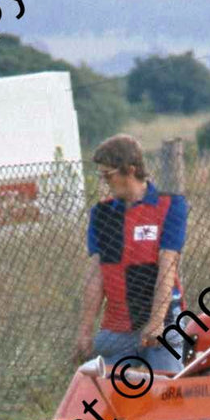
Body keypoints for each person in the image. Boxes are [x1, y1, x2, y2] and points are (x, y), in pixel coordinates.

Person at [74, 133, 189, 373]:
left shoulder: (170, 206)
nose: (104, 181)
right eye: (102, 175)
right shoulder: (101, 214)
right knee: (102, 393)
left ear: (130, 169)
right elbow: (96, 276)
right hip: (118, 326)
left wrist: (157, 322)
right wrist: (85, 331)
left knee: (165, 393)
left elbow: (167, 265)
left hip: (164, 320)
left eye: (108, 175)